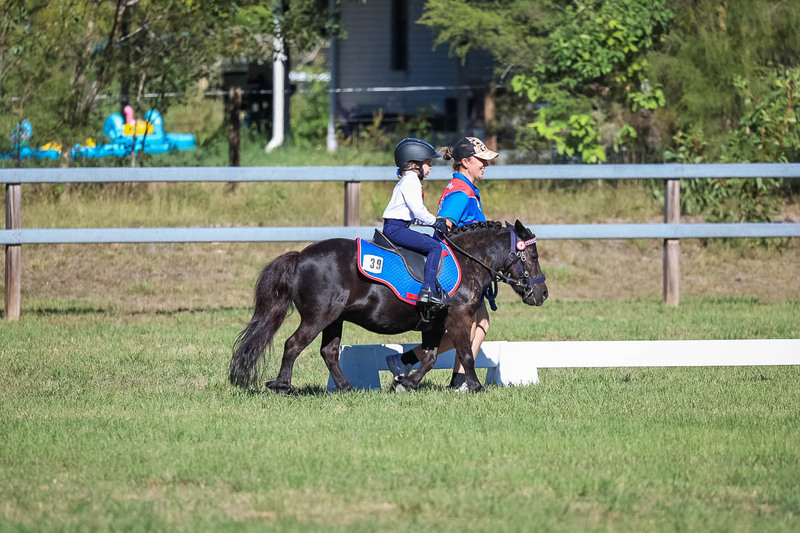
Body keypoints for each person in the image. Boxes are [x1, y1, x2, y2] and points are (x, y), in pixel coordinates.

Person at [386, 136, 499, 391]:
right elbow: (445, 226)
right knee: (476, 324)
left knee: (480, 324)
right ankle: (409, 362)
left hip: (466, 268)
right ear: (465, 162)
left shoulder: (465, 188)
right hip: (460, 270)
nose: (485, 165)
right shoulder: (461, 192)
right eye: (481, 161)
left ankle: (456, 380)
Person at [382, 138, 450, 306]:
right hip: (396, 229)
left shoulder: (407, 180)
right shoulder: (411, 180)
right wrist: (435, 222)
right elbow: (419, 211)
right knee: (435, 247)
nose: (431, 167)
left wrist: (433, 222)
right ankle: (428, 290)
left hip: (397, 226)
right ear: (415, 164)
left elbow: (412, 216)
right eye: (428, 163)